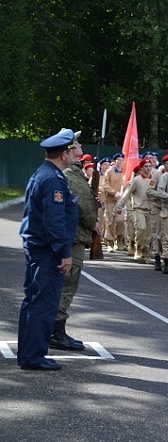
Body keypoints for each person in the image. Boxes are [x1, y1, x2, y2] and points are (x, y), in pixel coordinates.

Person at [18, 129, 80, 370]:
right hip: (47, 252)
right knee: (43, 304)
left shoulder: (46, 173)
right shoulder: (53, 179)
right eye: (72, 149)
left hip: (38, 249)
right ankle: (33, 356)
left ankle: (29, 353)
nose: (75, 153)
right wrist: (64, 253)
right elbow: (54, 222)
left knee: (34, 302)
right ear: (64, 154)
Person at [51, 137, 98, 351]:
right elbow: (83, 207)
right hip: (75, 236)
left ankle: (55, 329)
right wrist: (94, 222)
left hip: (73, 234)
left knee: (65, 284)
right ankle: (56, 332)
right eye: (77, 144)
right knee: (68, 285)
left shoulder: (71, 172)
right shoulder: (73, 173)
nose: (81, 145)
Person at [116, 159, 156, 263]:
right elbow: (127, 193)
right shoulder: (137, 180)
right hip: (139, 209)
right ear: (142, 168)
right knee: (141, 228)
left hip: (151, 209)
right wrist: (119, 206)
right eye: (145, 166)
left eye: (149, 166)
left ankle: (145, 252)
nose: (148, 168)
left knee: (149, 233)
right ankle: (138, 249)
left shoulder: (155, 179)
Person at [102, 152, 125, 252]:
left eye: (121, 160)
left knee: (120, 221)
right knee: (110, 221)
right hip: (110, 200)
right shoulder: (109, 171)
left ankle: (119, 240)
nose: (120, 162)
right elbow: (105, 184)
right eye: (118, 160)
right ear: (114, 161)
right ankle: (110, 242)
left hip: (121, 201)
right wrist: (114, 192)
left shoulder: (125, 171)